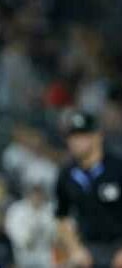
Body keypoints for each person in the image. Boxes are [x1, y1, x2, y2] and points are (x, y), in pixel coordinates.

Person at [55, 110, 122, 268]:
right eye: (72, 137)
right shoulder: (67, 174)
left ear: (98, 136)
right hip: (88, 247)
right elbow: (61, 216)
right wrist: (75, 249)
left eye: (82, 136)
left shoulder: (117, 168)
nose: (76, 142)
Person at [4, 182, 57, 268]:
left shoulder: (49, 210)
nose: (37, 197)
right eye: (35, 194)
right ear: (28, 194)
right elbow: (11, 231)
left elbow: (54, 236)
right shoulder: (17, 210)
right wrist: (27, 236)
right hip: (23, 256)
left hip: (45, 257)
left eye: (39, 194)